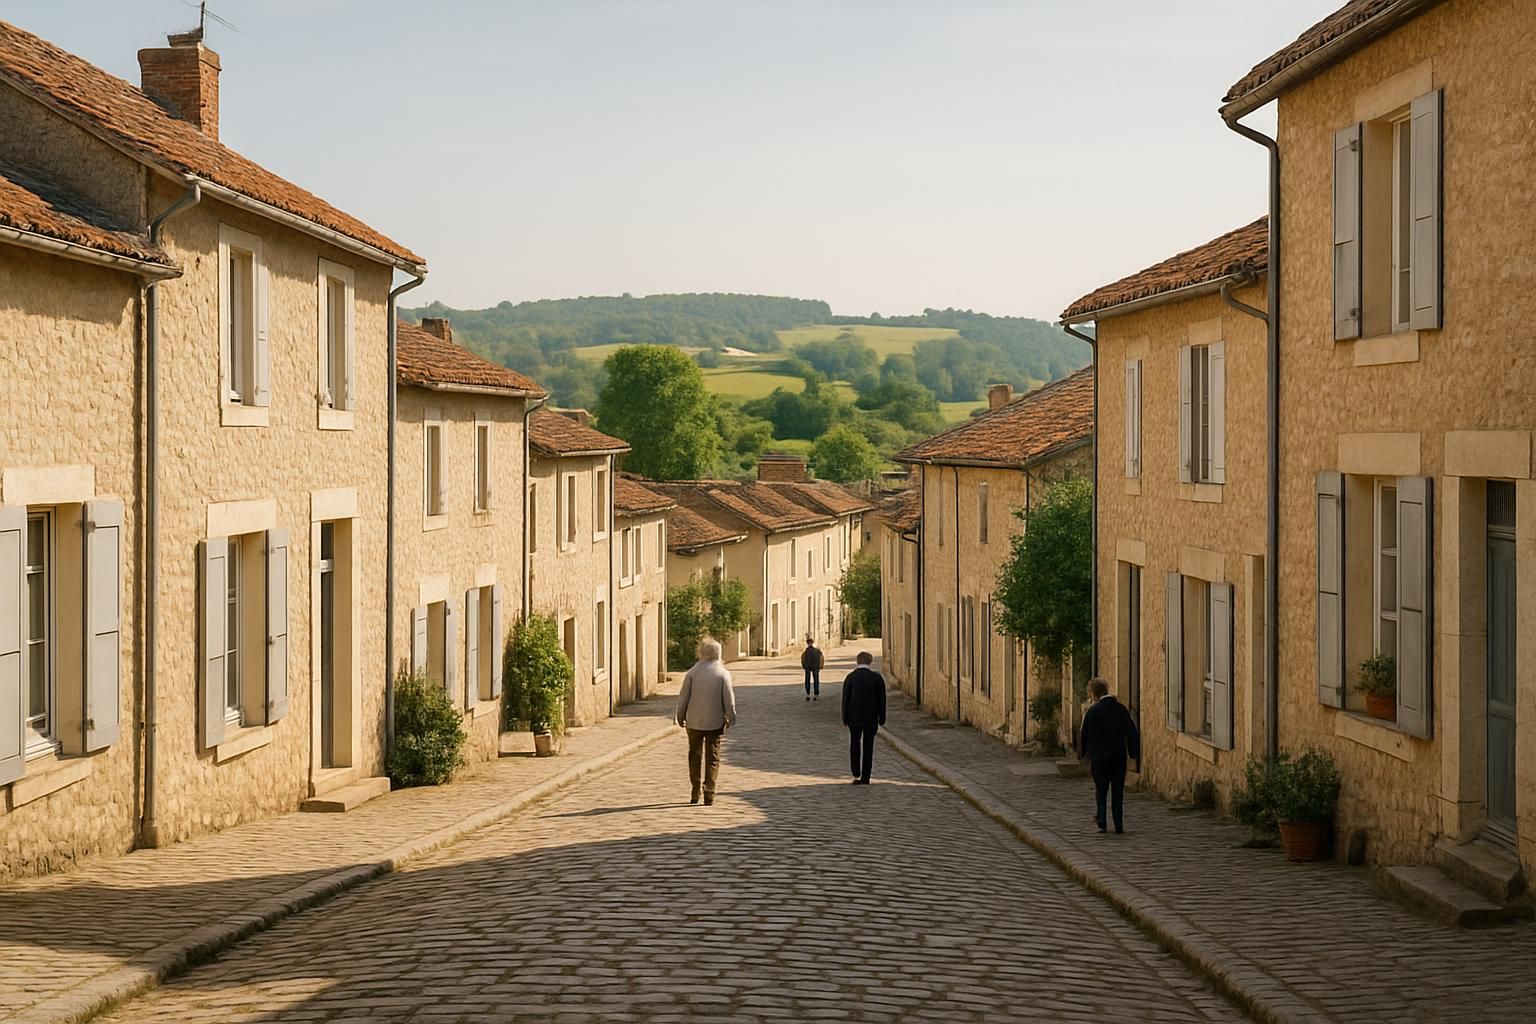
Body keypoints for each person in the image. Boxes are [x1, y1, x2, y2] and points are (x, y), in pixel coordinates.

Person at [675, 637, 737, 806]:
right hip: (715, 721)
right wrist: (731, 717)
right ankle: (709, 791)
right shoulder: (722, 674)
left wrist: (680, 715)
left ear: (701, 653)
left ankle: (695, 788)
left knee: (694, 755)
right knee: (713, 757)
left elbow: (683, 697)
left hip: (694, 721)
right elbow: (728, 699)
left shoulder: (692, 673)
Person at [1078, 678, 1140, 834]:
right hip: (1118, 757)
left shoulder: (1092, 712)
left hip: (1099, 758)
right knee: (1117, 791)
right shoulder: (1120, 709)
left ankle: (1102, 821)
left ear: (1094, 694)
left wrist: (1083, 755)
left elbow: (1083, 735)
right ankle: (1118, 823)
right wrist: (1133, 753)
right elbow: (1131, 731)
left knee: (1101, 790)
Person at [841, 651, 886, 784]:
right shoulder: (876, 678)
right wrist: (882, 717)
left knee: (854, 744)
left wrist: (844, 717)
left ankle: (856, 773)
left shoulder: (851, 677)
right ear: (870, 661)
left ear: (857, 662)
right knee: (868, 746)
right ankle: (866, 776)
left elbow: (845, 699)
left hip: (854, 717)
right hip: (870, 718)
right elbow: (882, 700)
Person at [801, 636, 824, 701]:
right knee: (816, 680)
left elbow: (802, 659)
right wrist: (821, 665)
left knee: (807, 680)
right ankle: (816, 694)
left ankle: (808, 694)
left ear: (807, 643)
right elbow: (821, 658)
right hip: (815, 666)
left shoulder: (806, 651)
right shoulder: (817, 651)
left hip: (807, 667)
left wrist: (804, 666)